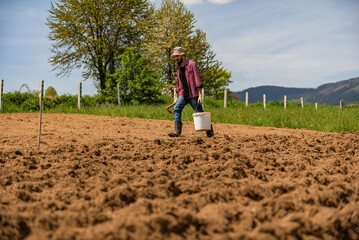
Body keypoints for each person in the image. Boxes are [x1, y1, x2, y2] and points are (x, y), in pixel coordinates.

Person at [168, 47, 214, 138]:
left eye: (177, 56)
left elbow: (197, 79)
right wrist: (176, 95)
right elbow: (179, 81)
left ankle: (209, 131)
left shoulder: (192, 64)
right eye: (175, 56)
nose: (176, 58)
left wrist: (200, 94)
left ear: (183, 55)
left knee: (199, 112)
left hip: (193, 94)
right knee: (177, 109)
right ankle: (177, 131)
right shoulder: (178, 68)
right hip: (182, 94)